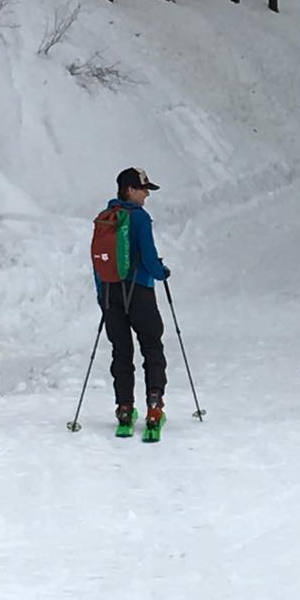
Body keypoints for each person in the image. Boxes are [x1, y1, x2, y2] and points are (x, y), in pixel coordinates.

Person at [96, 167, 170, 432]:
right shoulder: (140, 219)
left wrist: (101, 296)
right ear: (129, 189)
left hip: (109, 293)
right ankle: (154, 408)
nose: (146, 196)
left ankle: (124, 409)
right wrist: (162, 272)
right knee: (151, 346)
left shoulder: (104, 218)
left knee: (121, 351)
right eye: (143, 189)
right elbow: (149, 259)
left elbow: (98, 263)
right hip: (139, 292)